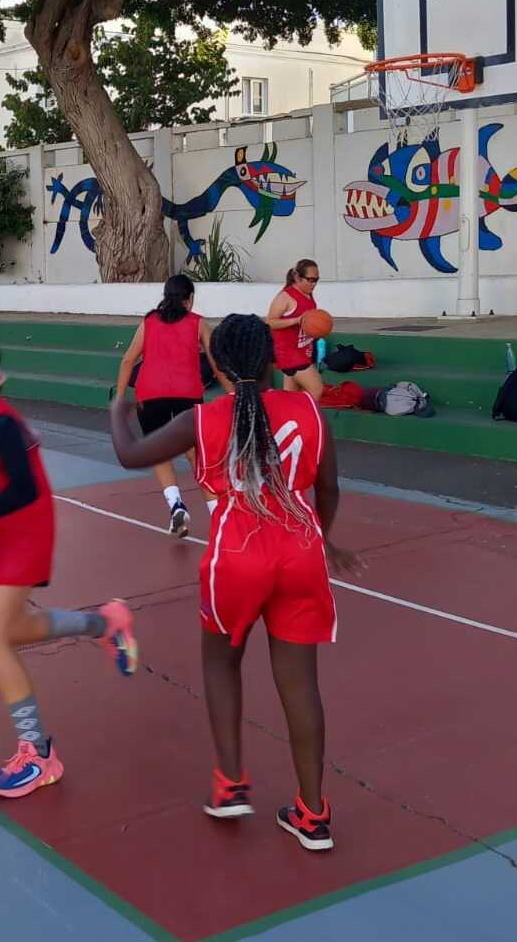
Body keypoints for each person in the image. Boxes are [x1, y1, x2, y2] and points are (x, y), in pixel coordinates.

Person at [109, 314, 362, 851]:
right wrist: (326, 538)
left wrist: (118, 409)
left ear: (217, 367)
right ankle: (313, 813)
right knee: (301, 686)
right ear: (271, 359)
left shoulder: (205, 420)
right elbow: (331, 490)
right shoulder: (309, 410)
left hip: (238, 557)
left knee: (221, 660)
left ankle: (230, 785)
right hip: (301, 554)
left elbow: (130, 454)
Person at [0, 324, 139, 799]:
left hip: (23, 532)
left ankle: (37, 753)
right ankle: (106, 624)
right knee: (14, 630)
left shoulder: (0, 422)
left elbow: (25, 489)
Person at [115, 274, 231, 535]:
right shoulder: (198, 324)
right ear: (189, 299)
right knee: (195, 454)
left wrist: (120, 398)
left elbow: (127, 361)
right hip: (186, 393)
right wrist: (234, 393)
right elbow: (217, 365)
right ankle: (218, 513)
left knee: (161, 451)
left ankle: (176, 505)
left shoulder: (149, 322)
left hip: (150, 393)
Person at [266, 259, 324, 400]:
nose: (314, 284)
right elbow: (270, 322)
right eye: (310, 280)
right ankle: (306, 419)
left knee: (290, 397)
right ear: (298, 278)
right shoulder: (285, 296)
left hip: (303, 351)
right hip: (290, 354)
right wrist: (296, 320)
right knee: (316, 390)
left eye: (316, 280)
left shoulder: (308, 293)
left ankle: (285, 419)